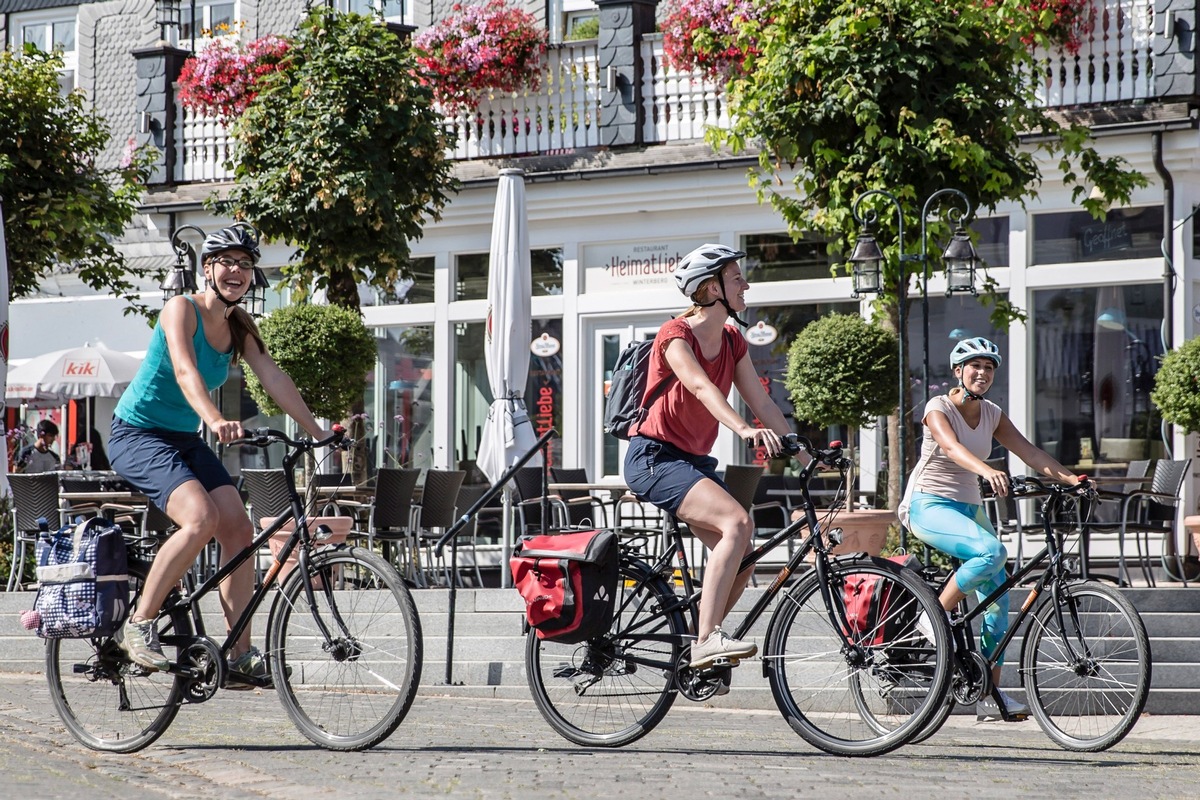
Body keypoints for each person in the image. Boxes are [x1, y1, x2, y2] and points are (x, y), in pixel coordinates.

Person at [109, 225, 330, 686]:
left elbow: (273, 378)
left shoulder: (238, 326)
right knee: (200, 518)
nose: (236, 271)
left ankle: (237, 654)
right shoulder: (180, 309)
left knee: (238, 526)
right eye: (227, 262)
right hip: (137, 434)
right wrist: (212, 417)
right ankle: (138, 625)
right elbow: (186, 369)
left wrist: (319, 434)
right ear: (207, 268)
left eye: (245, 264)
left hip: (183, 440)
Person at [623, 243, 794, 679]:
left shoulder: (734, 340)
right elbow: (700, 387)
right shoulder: (674, 335)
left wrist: (805, 449)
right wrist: (743, 430)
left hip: (691, 461)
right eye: (737, 278)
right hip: (653, 458)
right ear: (709, 288)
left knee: (744, 557)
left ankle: (704, 636)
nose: (746, 285)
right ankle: (706, 641)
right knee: (736, 523)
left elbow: (761, 400)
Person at [900, 337, 1080, 722]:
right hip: (927, 504)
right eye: (974, 366)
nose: (982, 373)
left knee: (999, 601)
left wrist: (1072, 480)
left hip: (967, 508)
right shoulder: (938, 407)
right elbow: (950, 448)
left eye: (989, 367)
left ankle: (987, 694)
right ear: (958, 372)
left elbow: (1029, 452)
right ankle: (929, 617)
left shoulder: (992, 413)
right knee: (991, 551)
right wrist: (986, 470)